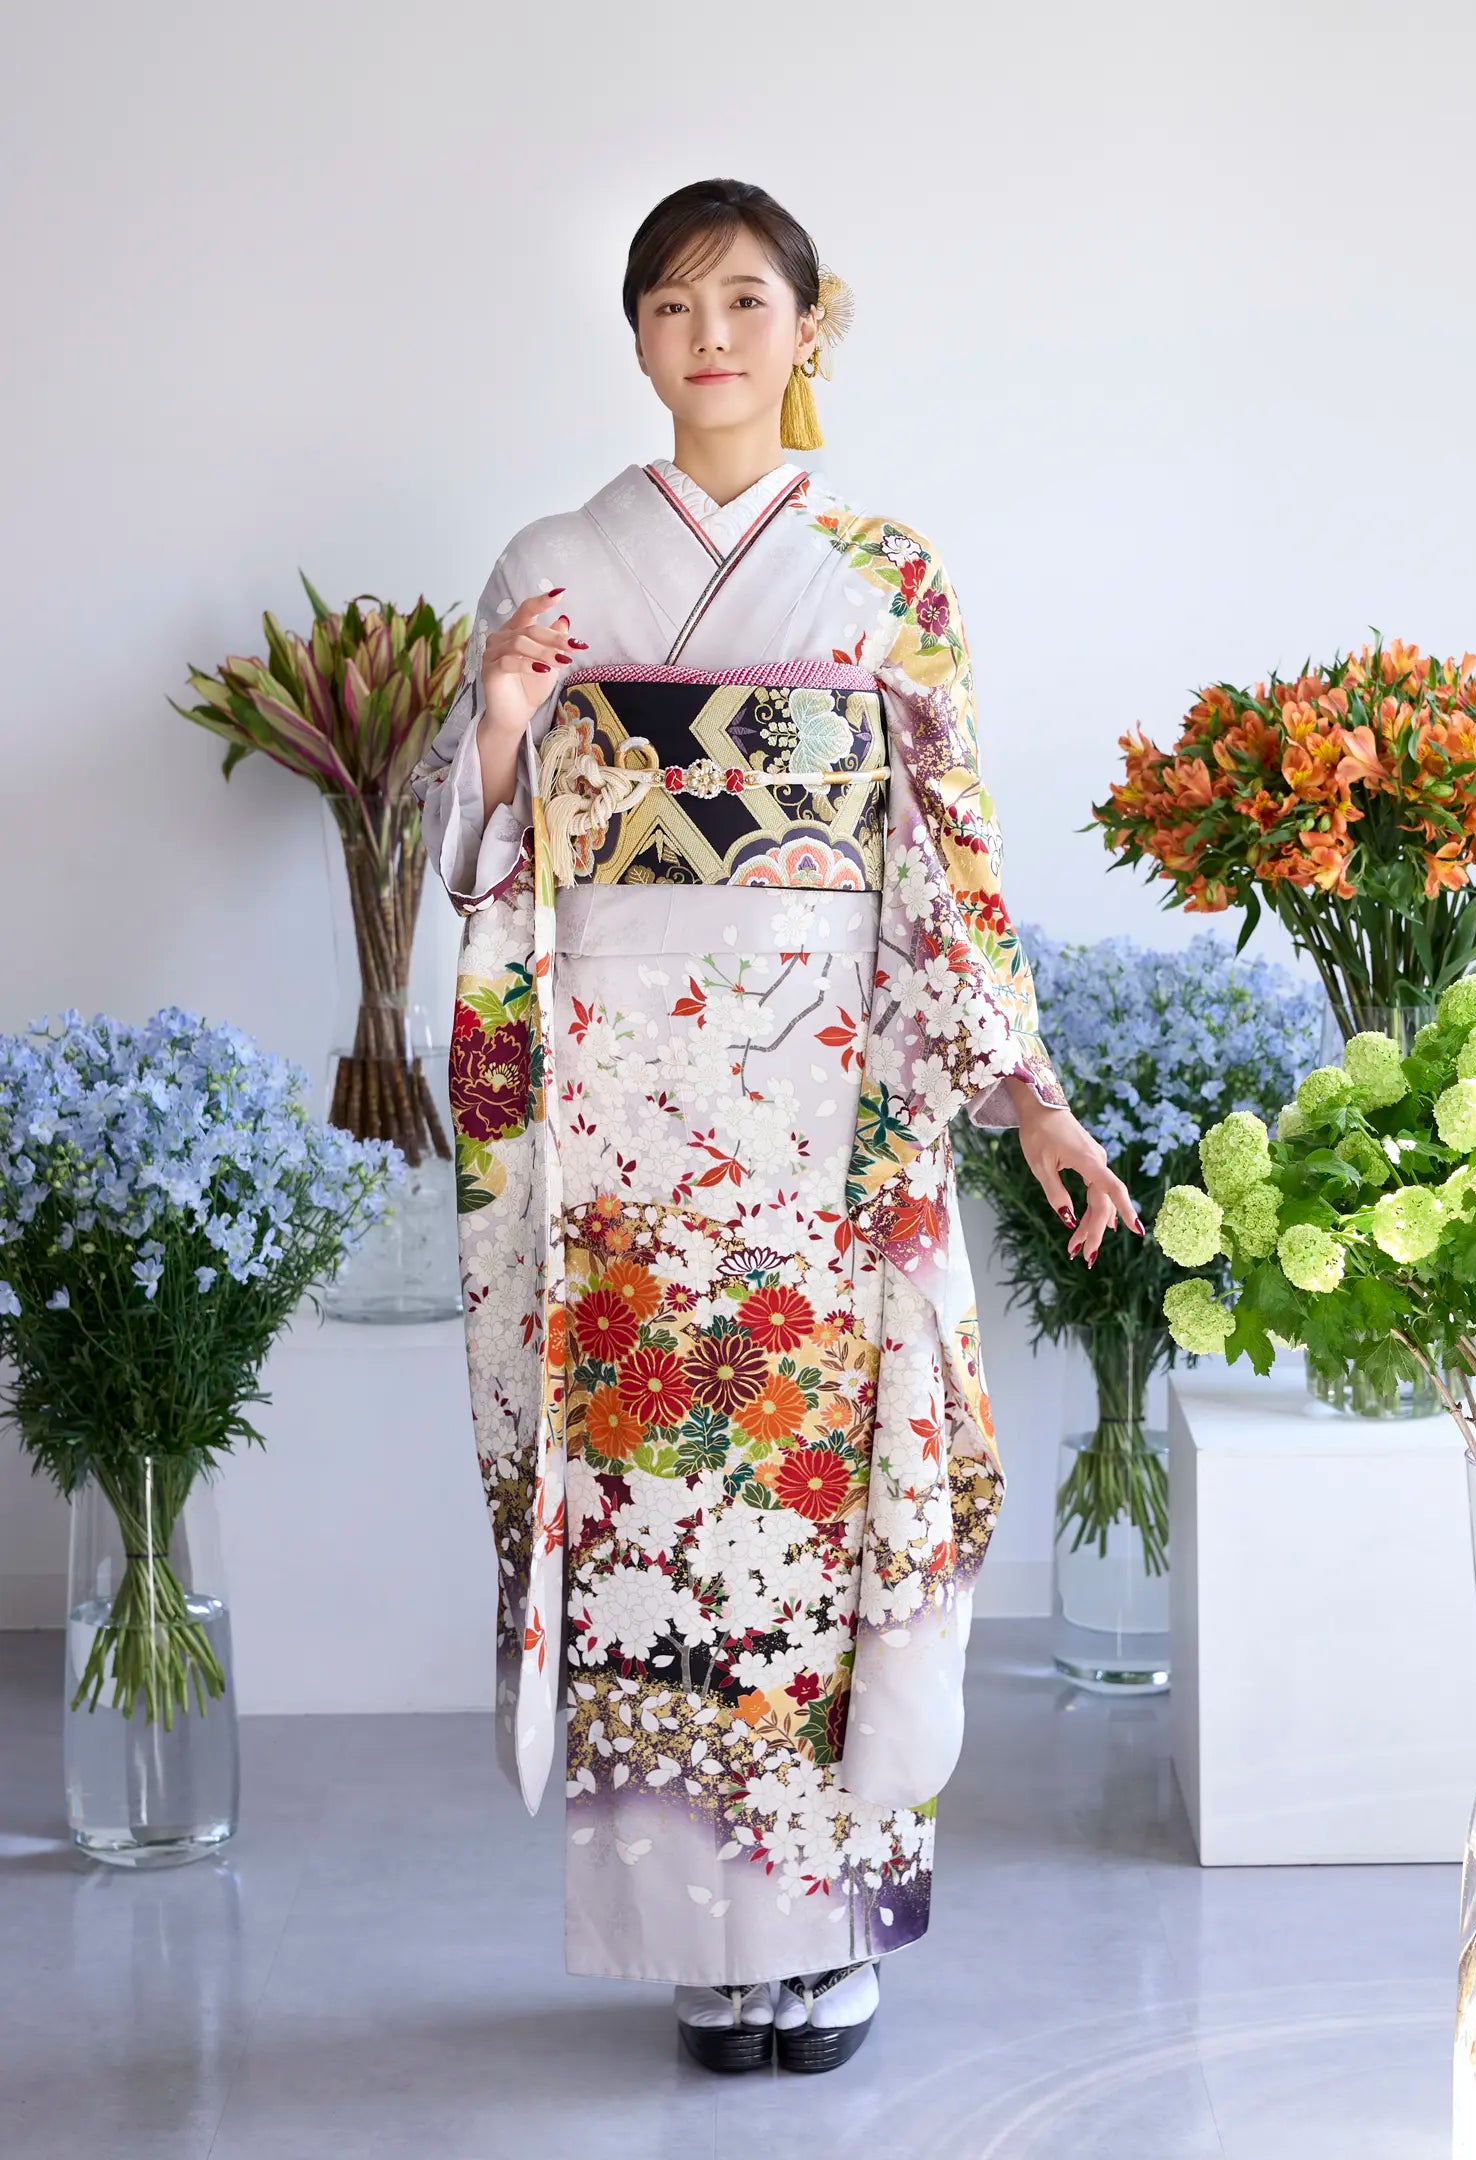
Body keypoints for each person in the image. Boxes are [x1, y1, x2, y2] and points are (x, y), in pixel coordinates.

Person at [411, 176, 1140, 2076]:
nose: (709, 334)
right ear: (636, 340)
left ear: (811, 328)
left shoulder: (885, 572)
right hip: (623, 1125)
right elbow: (482, 851)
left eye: (745, 299)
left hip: (830, 1113)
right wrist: (504, 721)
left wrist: (1032, 1104)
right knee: (657, 1512)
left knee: (824, 1513)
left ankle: (824, 1938)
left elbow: (951, 856)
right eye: (671, 304)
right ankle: (699, 1949)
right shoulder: (550, 562)